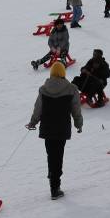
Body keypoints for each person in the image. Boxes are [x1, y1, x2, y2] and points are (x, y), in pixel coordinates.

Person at [26, 61, 82, 200]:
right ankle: (55, 186)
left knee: (51, 155)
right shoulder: (71, 89)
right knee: (58, 155)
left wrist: (33, 122)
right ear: (63, 73)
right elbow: (76, 109)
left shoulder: (44, 89)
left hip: (47, 128)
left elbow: (38, 108)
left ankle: (53, 180)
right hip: (62, 128)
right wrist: (78, 124)